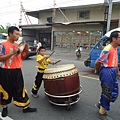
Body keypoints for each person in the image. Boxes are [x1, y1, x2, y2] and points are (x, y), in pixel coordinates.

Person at [0, 26, 37, 118]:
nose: (18, 36)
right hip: (5, 71)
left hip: (17, 71)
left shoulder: (17, 45)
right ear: (10, 34)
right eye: (16, 34)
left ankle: (25, 107)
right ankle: (5, 107)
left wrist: (25, 51)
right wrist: (13, 52)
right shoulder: (2, 45)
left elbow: (21, 58)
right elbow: (0, 58)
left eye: (18, 34)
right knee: (5, 90)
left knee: (20, 89)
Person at [94, 31, 120, 118]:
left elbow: (115, 62)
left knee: (114, 91)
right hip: (107, 71)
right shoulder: (107, 49)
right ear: (114, 39)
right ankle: (102, 111)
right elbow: (98, 62)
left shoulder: (115, 48)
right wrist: (97, 70)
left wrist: (118, 71)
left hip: (113, 72)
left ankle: (101, 103)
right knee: (107, 91)